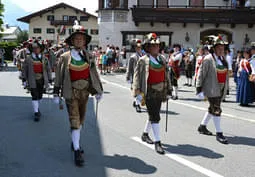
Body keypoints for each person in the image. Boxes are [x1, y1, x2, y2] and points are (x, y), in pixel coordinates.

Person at [53, 21, 103, 167]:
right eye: (76, 38)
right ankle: (77, 150)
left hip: (85, 93)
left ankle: (74, 139)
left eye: (81, 38)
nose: (79, 40)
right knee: (74, 120)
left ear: (85, 41)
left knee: (81, 120)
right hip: (71, 92)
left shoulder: (89, 56)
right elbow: (59, 76)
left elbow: (94, 74)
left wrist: (98, 90)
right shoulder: (65, 57)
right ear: (72, 40)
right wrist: (56, 92)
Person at [132, 33, 172, 154]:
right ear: (148, 47)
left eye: (157, 45)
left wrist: (169, 90)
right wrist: (137, 93)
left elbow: (167, 76)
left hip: (160, 91)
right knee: (155, 116)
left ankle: (145, 134)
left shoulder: (162, 59)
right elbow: (137, 77)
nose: (156, 48)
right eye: (153, 46)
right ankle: (157, 141)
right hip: (149, 91)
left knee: (154, 114)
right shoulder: (143, 61)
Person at [196, 35, 229, 144]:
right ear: (214, 48)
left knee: (212, 109)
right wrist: (199, 89)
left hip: (220, 88)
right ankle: (219, 133)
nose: (221, 50)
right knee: (216, 109)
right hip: (211, 88)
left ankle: (202, 126)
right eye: (219, 48)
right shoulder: (208, 59)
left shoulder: (223, 59)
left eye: (223, 48)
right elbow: (201, 74)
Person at [23, 39, 52, 121]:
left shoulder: (44, 59)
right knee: (34, 95)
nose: (36, 49)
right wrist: (24, 79)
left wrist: (50, 79)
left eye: (37, 48)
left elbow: (48, 69)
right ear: (32, 49)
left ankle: (37, 108)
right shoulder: (28, 58)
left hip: (42, 79)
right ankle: (36, 112)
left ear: (40, 49)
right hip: (32, 79)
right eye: (34, 48)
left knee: (40, 95)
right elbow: (24, 69)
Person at [126, 39, 145, 112]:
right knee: (137, 90)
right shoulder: (133, 57)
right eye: (137, 47)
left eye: (140, 47)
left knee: (142, 91)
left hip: (143, 76)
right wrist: (128, 77)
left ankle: (136, 101)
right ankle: (137, 105)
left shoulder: (144, 55)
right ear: (135, 48)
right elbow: (129, 68)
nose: (139, 49)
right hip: (135, 76)